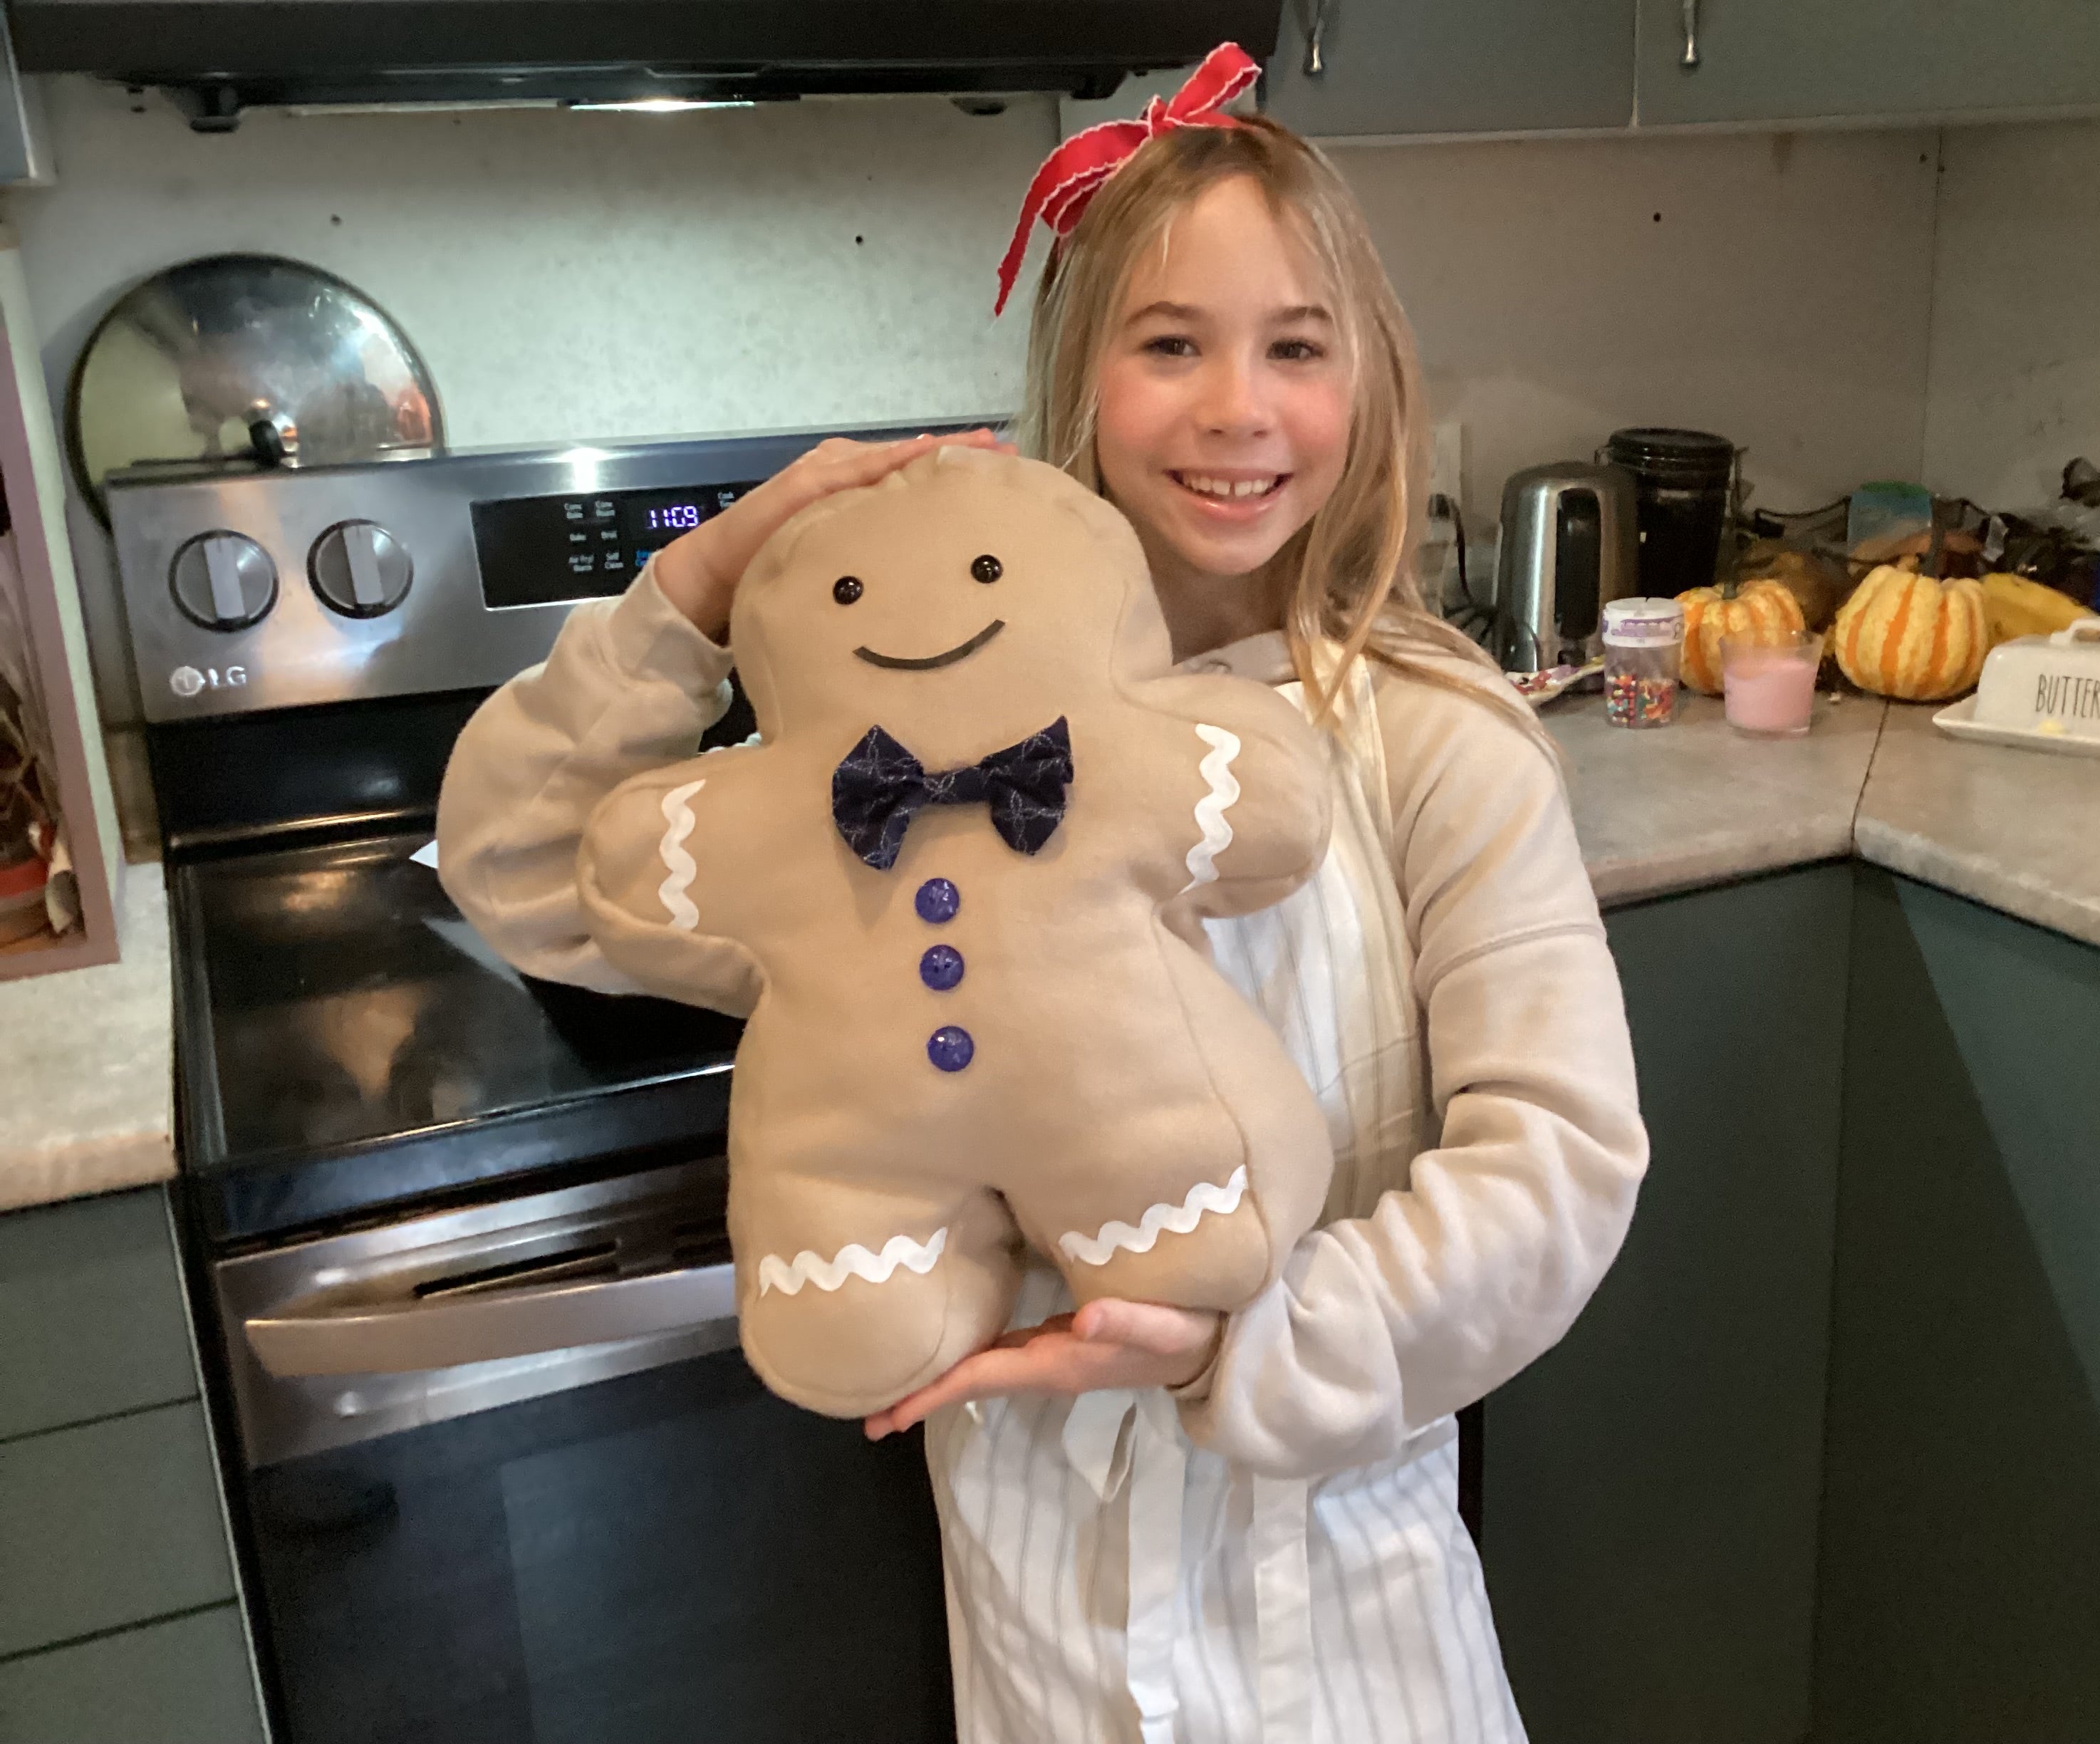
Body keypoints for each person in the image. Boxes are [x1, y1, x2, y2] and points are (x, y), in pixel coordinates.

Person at [436, 43, 1648, 1744]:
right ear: (1081, 376)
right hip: (1034, 1619)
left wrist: (1235, 1351)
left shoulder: (1438, 751)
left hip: (1343, 1620)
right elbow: (519, 870)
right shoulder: (882, 766)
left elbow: (1558, 1173)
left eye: (1296, 347)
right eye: (1172, 344)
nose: (1238, 408)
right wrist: (699, 584)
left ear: (1367, 384)